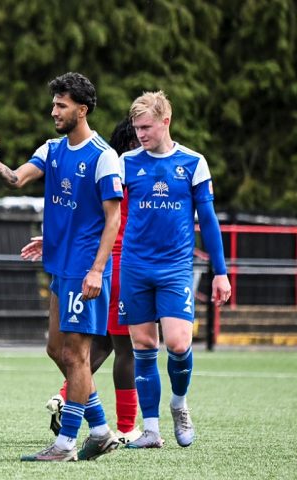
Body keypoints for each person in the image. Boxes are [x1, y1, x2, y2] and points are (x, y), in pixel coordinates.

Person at [0, 72, 123, 462]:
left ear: (82, 109)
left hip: (84, 269)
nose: (54, 111)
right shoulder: (52, 149)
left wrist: (96, 270)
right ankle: (101, 430)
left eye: (62, 105)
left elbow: (112, 220)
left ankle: (66, 445)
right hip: (61, 264)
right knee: (55, 349)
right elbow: (15, 179)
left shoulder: (104, 156)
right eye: (54, 103)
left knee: (76, 354)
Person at [118, 91, 231, 448]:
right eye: (136, 128)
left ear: (166, 121)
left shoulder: (193, 162)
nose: (140, 134)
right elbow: (103, 212)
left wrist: (220, 272)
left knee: (179, 344)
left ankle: (179, 404)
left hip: (174, 267)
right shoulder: (126, 162)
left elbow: (209, 221)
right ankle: (150, 430)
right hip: (135, 266)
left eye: (147, 127)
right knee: (143, 344)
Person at [23, 118, 142, 444]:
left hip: (92, 264)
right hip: (114, 266)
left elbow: (80, 214)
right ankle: (127, 427)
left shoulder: (104, 165)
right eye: (142, 135)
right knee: (123, 348)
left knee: (92, 345)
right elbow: (111, 220)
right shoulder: (130, 173)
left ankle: (70, 398)